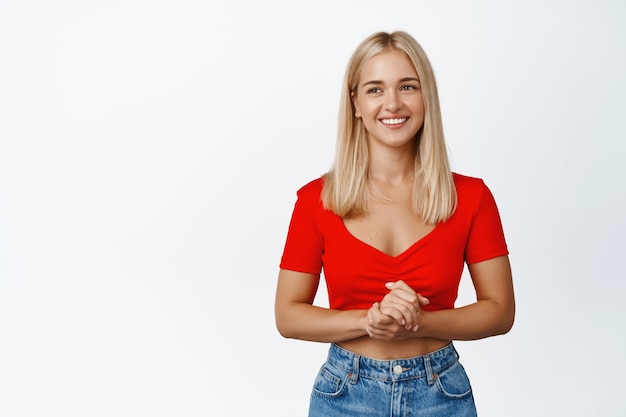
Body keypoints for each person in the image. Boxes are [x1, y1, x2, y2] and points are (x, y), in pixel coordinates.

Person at [274, 30, 515, 417]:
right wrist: (369, 321)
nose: (392, 103)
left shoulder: (471, 197)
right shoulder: (315, 200)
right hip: (344, 394)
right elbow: (287, 315)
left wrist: (421, 323)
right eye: (374, 89)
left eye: (407, 86)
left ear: (426, 96)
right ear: (354, 102)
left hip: (440, 393)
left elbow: (501, 311)